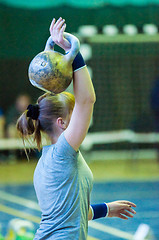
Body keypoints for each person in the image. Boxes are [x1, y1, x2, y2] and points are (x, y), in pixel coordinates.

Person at [16, 17, 136, 240]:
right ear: (62, 123)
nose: (82, 118)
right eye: (74, 115)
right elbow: (87, 101)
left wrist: (107, 209)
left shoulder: (48, 161)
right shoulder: (62, 152)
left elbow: (71, 214)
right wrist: (72, 51)